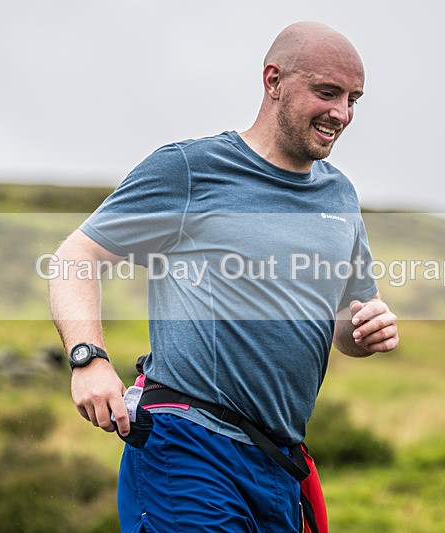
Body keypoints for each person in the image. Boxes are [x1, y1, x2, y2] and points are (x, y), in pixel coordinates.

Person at [49, 21, 398, 533]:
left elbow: (345, 319)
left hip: (278, 463)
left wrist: (365, 328)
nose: (341, 114)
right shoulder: (192, 169)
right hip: (188, 444)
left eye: (353, 99)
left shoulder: (339, 197)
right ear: (273, 81)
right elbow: (76, 256)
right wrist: (89, 359)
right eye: (327, 93)